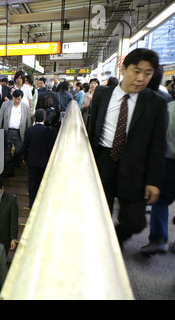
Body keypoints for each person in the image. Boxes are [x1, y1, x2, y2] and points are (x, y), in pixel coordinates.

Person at [88, 48, 167, 247]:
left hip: (134, 166)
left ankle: (114, 239)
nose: (141, 78)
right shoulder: (102, 95)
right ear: (123, 70)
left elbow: (158, 145)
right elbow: (92, 130)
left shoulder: (155, 102)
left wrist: (153, 181)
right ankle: (103, 249)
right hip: (104, 160)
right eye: (136, 71)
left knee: (135, 221)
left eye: (147, 73)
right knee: (98, 214)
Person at [140, 66, 174, 255]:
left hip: (168, 161)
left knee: (160, 201)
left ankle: (159, 238)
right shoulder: (164, 101)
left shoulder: (167, 108)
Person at [22, 109, 55, 208]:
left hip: (31, 161)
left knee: (32, 183)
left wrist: (24, 157)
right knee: (41, 182)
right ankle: (40, 203)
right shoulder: (49, 130)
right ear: (44, 119)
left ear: (35, 118)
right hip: (44, 162)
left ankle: (31, 203)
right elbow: (50, 147)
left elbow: (25, 146)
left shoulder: (29, 130)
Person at [0, 89, 32, 168]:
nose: (16, 101)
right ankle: (8, 166)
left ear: (21, 98)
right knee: (7, 149)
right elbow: (0, 118)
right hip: (8, 130)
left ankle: (17, 162)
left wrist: (28, 132)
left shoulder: (25, 107)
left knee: (19, 149)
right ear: (12, 97)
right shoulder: (5, 105)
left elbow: (28, 121)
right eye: (15, 98)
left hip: (20, 131)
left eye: (19, 99)